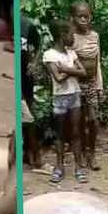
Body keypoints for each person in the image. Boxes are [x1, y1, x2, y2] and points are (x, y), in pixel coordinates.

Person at [42, 20, 87, 184]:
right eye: (70, 34)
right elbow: (58, 79)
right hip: (60, 97)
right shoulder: (49, 55)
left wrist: (64, 68)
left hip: (74, 94)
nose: (73, 37)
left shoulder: (71, 53)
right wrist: (71, 71)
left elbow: (83, 72)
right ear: (62, 36)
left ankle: (78, 167)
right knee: (59, 134)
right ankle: (59, 166)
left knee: (76, 133)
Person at [69, 2, 104, 172]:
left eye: (86, 16)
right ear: (73, 18)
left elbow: (97, 62)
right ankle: (81, 153)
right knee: (79, 122)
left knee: (93, 120)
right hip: (75, 84)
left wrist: (99, 85)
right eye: (79, 16)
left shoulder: (95, 36)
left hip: (91, 84)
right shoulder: (71, 38)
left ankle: (92, 153)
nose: (83, 19)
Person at [21, 16, 44, 172]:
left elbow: (38, 44)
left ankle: (34, 157)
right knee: (25, 117)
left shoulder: (27, 24)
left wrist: (34, 62)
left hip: (26, 78)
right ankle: (33, 156)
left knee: (28, 116)